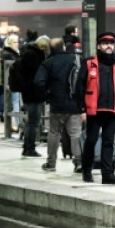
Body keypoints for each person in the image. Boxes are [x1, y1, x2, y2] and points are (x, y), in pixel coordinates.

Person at [74, 32, 115, 184]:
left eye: (111, 42)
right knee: (91, 141)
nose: (109, 45)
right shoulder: (89, 63)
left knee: (108, 142)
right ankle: (86, 170)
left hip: (112, 109)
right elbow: (79, 87)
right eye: (105, 43)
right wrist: (82, 110)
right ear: (98, 46)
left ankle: (107, 174)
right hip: (93, 110)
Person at [36, 38, 82, 174]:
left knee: (54, 133)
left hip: (56, 104)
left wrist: (47, 94)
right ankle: (79, 162)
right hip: (74, 103)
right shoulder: (75, 59)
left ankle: (51, 163)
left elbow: (39, 82)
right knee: (75, 133)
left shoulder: (47, 63)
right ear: (63, 46)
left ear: (50, 48)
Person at [19, 35, 51, 158]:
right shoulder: (34, 56)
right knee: (33, 122)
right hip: (34, 93)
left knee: (31, 122)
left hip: (28, 93)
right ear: (43, 46)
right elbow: (37, 76)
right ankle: (29, 148)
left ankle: (27, 146)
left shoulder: (28, 53)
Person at [0, 34, 22, 137]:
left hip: (13, 82)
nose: (17, 44)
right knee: (15, 103)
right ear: (10, 43)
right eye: (15, 42)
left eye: (18, 42)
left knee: (15, 103)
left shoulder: (10, 52)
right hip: (12, 82)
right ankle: (19, 125)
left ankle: (18, 125)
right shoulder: (9, 54)